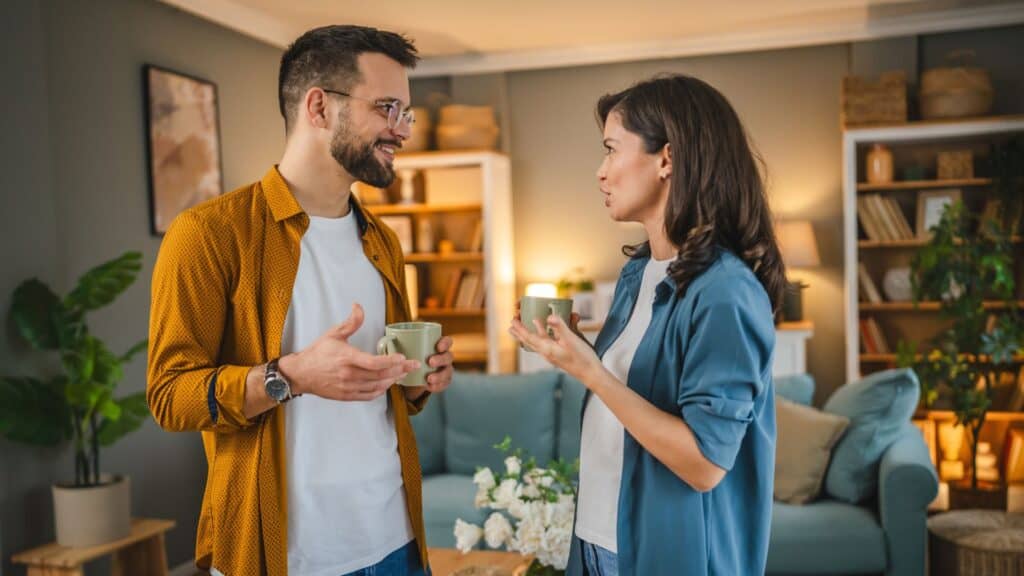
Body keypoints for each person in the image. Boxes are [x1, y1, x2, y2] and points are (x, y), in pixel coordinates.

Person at [147, 25, 453, 576]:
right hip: (281, 556)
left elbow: (395, 398)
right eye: (387, 108)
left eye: (404, 113)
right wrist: (289, 374)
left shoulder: (382, 242)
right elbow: (170, 395)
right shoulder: (209, 234)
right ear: (318, 107)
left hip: (396, 542)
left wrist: (419, 377)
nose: (401, 130)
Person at [510, 74, 783, 575]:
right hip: (597, 540)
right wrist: (577, 351)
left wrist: (591, 372)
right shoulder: (638, 273)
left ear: (667, 159)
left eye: (612, 150)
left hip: (666, 555)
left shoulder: (725, 292)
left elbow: (704, 463)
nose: (600, 172)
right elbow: (638, 389)